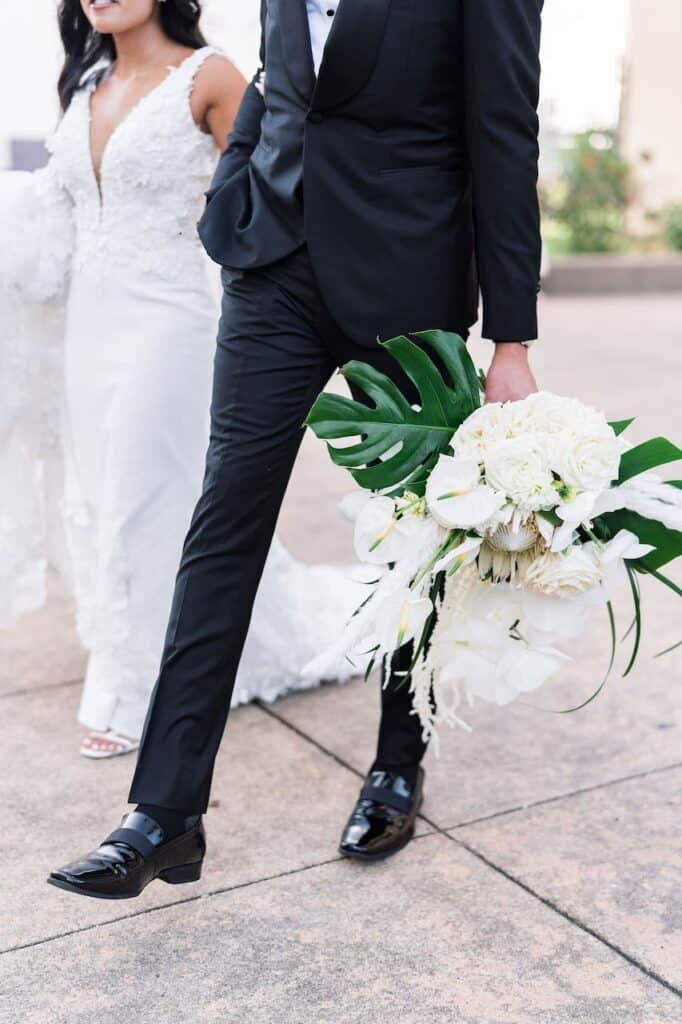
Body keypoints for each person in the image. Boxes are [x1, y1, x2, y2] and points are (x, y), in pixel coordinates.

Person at [49, 0, 543, 897]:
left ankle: (397, 764)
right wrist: (234, 197)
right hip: (272, 269)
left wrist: (511, 337)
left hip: (409, 280)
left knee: (412, 531)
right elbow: (283, 85)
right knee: (223, 522)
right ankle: (163, 814)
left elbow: (504, 126)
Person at [0, 0, 365, 761]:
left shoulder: (212, 76)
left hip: (169, 320)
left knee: (144, 492)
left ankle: (137, 690)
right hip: (87, 325)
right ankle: (147, 643)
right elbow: (58, 209)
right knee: (98, 493)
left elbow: (267, 194)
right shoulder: (84, 81)